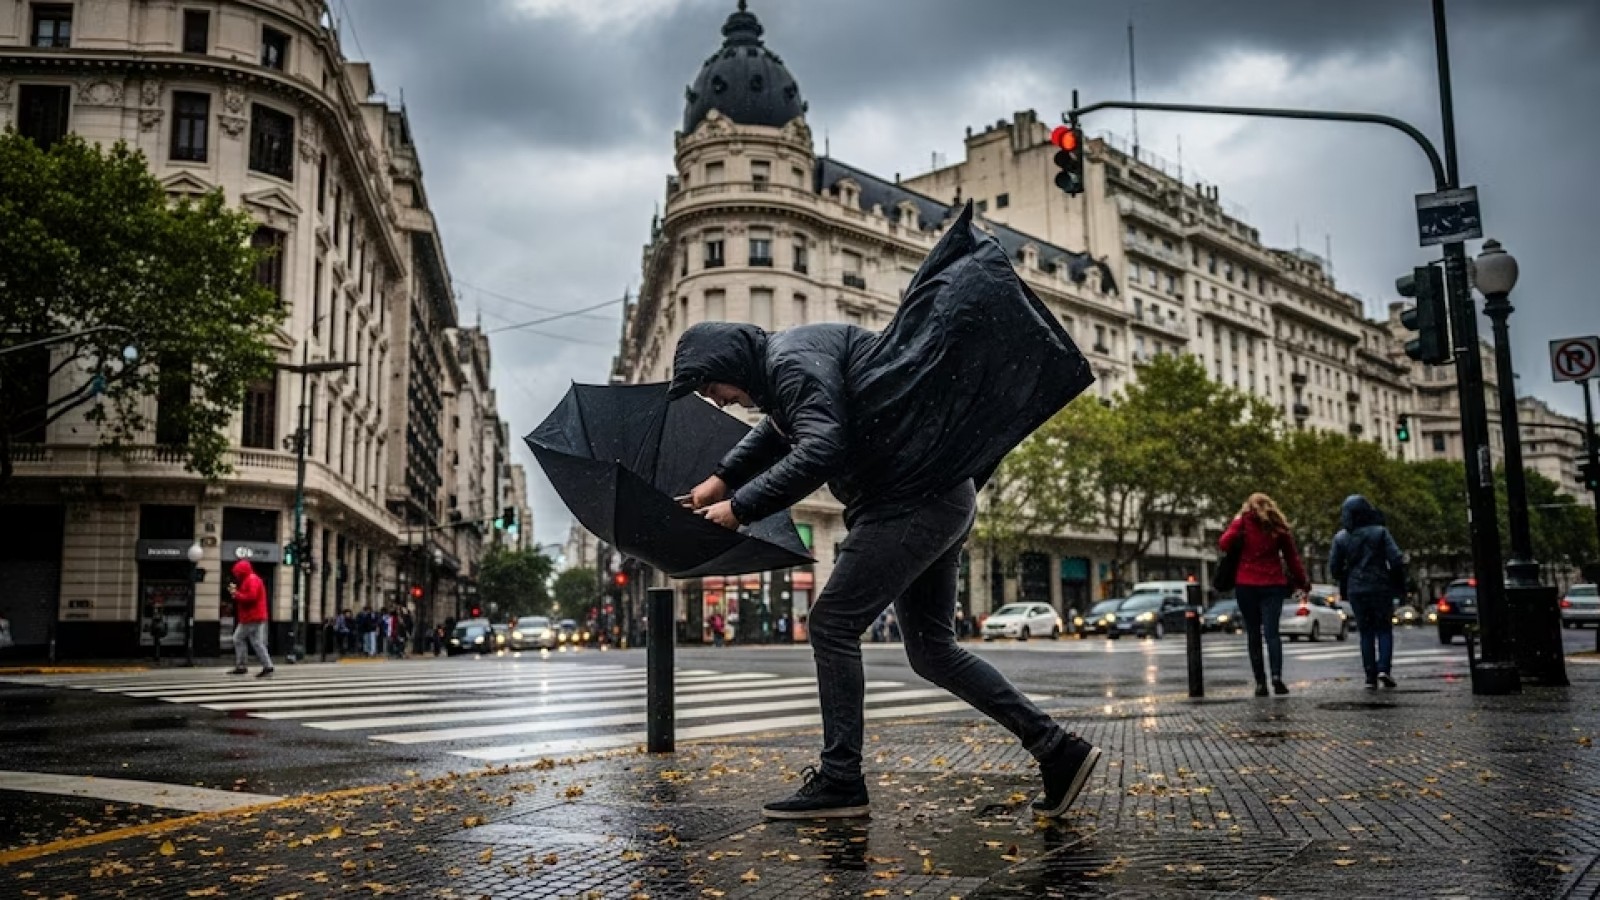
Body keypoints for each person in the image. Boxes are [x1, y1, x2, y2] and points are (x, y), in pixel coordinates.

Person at [669, 204, 1098, 821]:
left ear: (728, 364)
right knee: (931, 651)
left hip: (908, 503)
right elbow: (777, 429)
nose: (719, 401)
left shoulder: (790, 360)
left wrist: (739, 508)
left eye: (714, 388)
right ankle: (1057, 750)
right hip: (938, 496)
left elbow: (821, 445)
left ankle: (842, 779)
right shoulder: (790, 362)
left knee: (831, 626)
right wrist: (718, 480)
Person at [1219, 493, 1309, 697]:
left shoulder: (1242, 523)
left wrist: (1235, 523)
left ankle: (1260, 683)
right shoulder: (1278, 527)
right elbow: (1292, 558)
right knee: (1272, 633)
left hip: (1246, 584)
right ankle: (1276, 677)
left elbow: (1224, 543)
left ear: (1248, 507)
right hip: (1273, 584)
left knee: (1253, 634)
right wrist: (1302, 581)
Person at [1328, 495, 1405, 690]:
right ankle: (1384, 669)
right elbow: (1396, 559)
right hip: (1380, 586)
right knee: (1384, 629)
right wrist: (1395, 580)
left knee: (1366, 633)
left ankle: (1370, 676)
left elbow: (1334, 568)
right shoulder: (1380, 532)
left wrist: (1346, 575)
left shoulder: (1341, 537)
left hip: (1356, 589)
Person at [228, 560, 273, 677]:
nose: (236, 575)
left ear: (241, 571)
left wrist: (236, 594)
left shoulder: (251, 580)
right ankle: (267, 666)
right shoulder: (252, 579)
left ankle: (242, 666)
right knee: (257, 642)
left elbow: (251, 597)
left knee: (237, 638)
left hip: (252, 616)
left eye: (237, 572)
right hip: (256, 615)